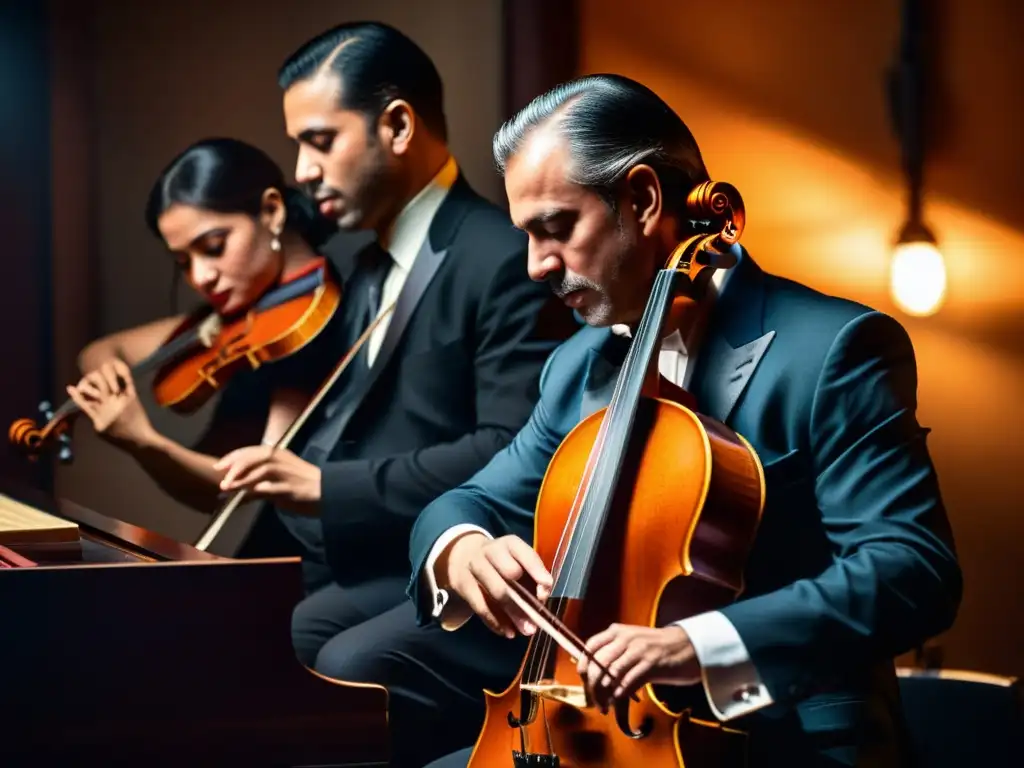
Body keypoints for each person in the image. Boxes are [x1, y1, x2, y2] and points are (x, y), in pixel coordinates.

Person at [409, 74, 963, 767]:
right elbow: (471, 501)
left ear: (641, 200)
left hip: (785, 737)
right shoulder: (579, 365)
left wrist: (698, 643)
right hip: (604, 736)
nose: (535, 266)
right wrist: (461, 549)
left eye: (555, 227)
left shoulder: (833, 349)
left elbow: (912, 569)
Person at [206, 21, 575, 767]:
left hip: (436, 563)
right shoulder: (365, 268)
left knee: (298, 646)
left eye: (319, 140)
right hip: (353, 555)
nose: (301, 170)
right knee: (203, 630)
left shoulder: (499, 256)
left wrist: (325, 485)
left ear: (398, 125)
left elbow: (506, 448)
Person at [70, 136, 348, 592]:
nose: (201, 277)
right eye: (183, 262)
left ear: (272, 211)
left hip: (319, 560)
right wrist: (106, 377)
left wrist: (143, 441)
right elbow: (101, 350)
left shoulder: (309, 326)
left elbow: (244, 484)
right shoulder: (241, 312)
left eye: (214, 246)